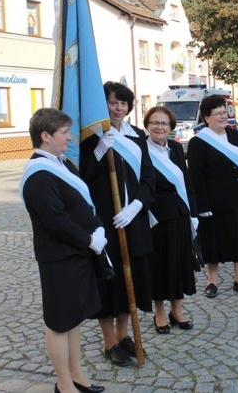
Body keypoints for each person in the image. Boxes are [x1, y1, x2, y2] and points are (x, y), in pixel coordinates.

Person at [20, 108, 106, 393]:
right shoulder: (38, 174)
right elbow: (55, 220)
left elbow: (84, 201)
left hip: (77, 253)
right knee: (59, 322)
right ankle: (64, 384)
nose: (70, 137)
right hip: (58, 256)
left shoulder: (62, 164)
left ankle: (77, 375)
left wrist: (98, 228)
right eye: (64, 133)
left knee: (74, 318)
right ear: (45, 136)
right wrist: (88, 240)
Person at [79, 82, 155, 368]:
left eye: (123, 103)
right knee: (108, 282)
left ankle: (124, 336)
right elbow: (81, 178)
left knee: (130, 279)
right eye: (113, 102)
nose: (119, 108)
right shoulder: (90, 139)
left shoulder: (138, 137)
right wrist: (99, 152)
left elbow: (148, 179)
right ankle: (109, 341)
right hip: (104, 221)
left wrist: (136, 206)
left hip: (132, 221)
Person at [187, 94, 238, 298]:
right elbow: (196, 177)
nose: (223, 116)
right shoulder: (198, 142)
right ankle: (212, 281)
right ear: (206, 118)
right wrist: (201, 206)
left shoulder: (235, 136)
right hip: (214, 202)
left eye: (225, 112)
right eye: (217, 113)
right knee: (213, 241)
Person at [143, 106, 198, 334]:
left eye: (164, 123)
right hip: (156, 218)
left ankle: (177, 309)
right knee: (159, 264)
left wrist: (193, 213)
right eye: (155, 123)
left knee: (179, 263)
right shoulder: (140, 150)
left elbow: (186, 182)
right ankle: (159, 312)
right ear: (147, 126)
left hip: (180, 215)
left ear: (171, 127)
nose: (159, 127)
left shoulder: (175, 147)